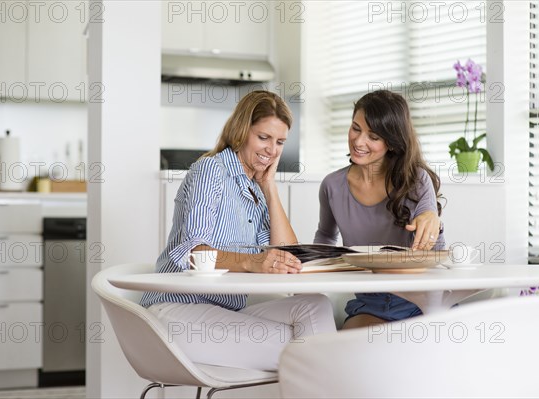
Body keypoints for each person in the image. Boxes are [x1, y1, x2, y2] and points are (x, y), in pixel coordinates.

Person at [140, 90, 336, 371]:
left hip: (222, 312)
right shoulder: (211, 170)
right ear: (242, 131)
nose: (272, 150)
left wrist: (270, 189)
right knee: (309, 346)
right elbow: (192, 253)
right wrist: (250, 261)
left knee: (316, 306)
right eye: (263, 137)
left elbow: (289, 259)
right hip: (177, 312)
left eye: (280, 142)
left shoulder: (255, 188)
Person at [314, 89, 445, 329]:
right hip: (371, 303)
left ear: (391, 143)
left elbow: (434, 252)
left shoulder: (416, 180)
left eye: (373, 136)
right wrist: (311, 269)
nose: (359, 141)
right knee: (347, 350)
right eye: (356, 128)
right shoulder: (332, 185)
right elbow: (325, 237)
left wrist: (432, 221)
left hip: (421, 302)